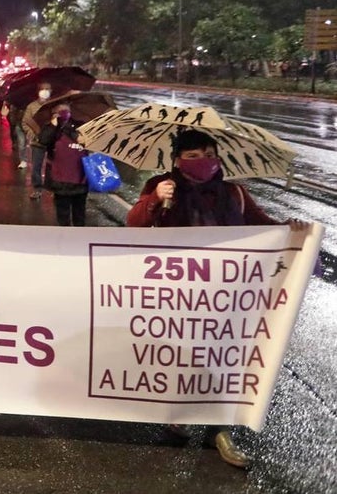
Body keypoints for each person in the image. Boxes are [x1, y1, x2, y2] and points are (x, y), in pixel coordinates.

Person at [125, 128, 308, 469]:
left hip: (228, 297)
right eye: (192, 157)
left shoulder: (234, 193)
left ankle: (218, 430)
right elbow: (134, 223)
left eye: (208, 154)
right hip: (181, 296)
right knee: (183, 355)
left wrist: (291, 229)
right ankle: (178, 414)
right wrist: (154, 200)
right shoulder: (164, 189)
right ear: (177, 161)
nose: (202, 162)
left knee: (223, 357)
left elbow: (264, 227)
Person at [38, 103, 88, 226]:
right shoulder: (52, 127)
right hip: (60, 181)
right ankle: (65, 240)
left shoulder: (81, 126)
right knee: (63, 216)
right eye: (59, 111)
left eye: (65, 110)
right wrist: (53, 125)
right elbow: (43, 140)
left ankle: (79, 240)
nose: (63, 113)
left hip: (80, 179)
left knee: (79, 216)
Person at [23, 83, 54, 199]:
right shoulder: (31, 106)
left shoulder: (54, 105)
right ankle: (37, 188)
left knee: (52, 166)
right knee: (36, 166)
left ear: (51, 91)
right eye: (42, 89)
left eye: (47, 89)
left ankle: (51, 188)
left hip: (52, 142)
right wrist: (33, 134)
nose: (45, 91)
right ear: (38, 91)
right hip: (37, 142)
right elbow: (25, 123)